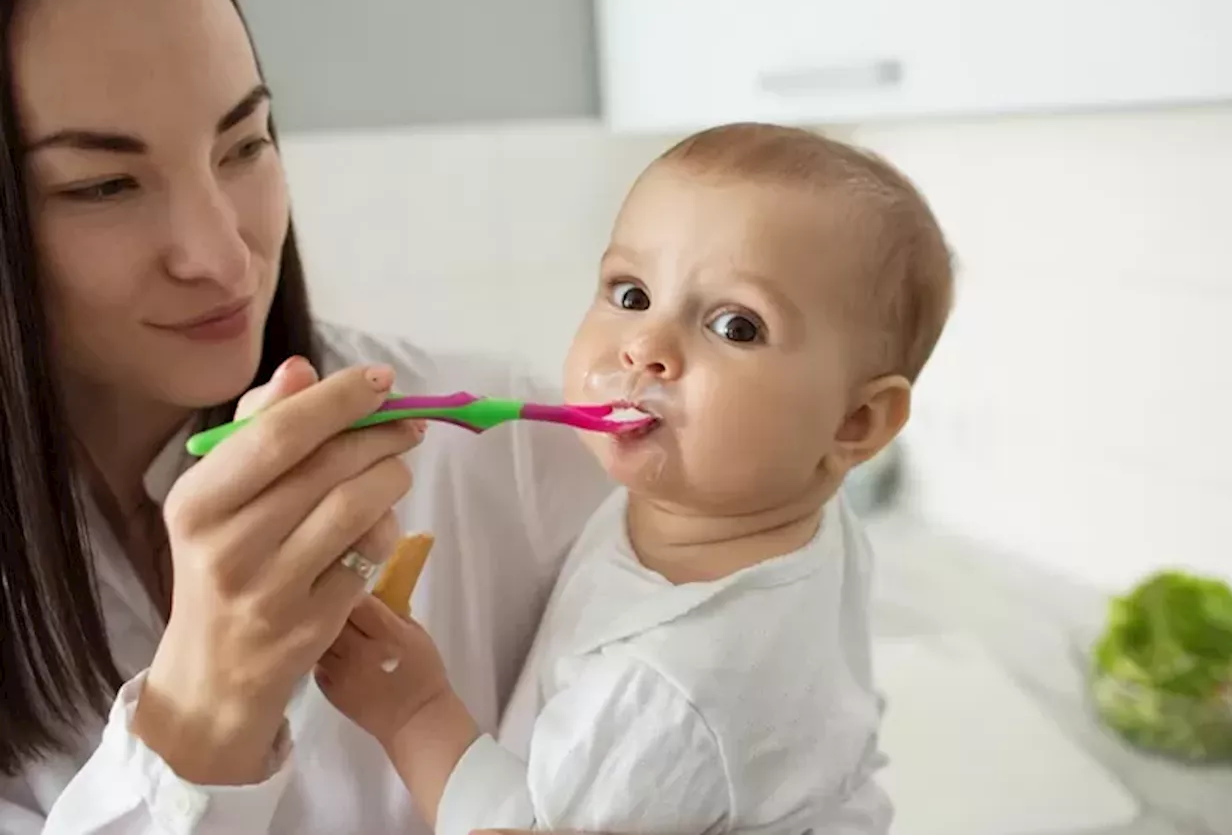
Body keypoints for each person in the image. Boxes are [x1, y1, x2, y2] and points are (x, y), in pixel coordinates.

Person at [0, 0, 609, 832]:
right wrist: (205, 711)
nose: (224, 257)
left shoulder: (502, 459)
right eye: (105, 186)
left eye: (245, 144)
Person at [315, 123, 955, 834]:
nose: (644, 347)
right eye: (630, 293)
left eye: (736, 325)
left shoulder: (671, 686)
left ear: (855, 423)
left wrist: (414, 711)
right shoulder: (777, 515)